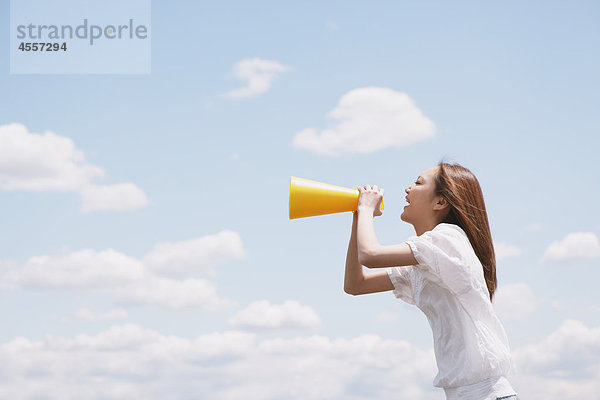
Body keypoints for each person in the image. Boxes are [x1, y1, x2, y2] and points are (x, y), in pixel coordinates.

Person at [344, 162, 517, 400]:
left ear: (440, 202)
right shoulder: (423, 263)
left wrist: (366, 210)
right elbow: (355, 284)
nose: (407, 189)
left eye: (417, 183)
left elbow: (370, 255)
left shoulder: (448, 240)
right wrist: (357, 219)